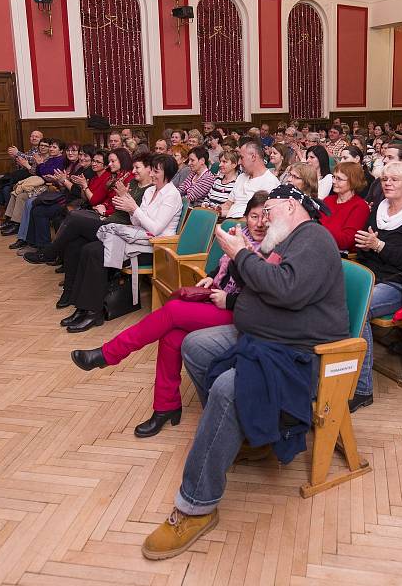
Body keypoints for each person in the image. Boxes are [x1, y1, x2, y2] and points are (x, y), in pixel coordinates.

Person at [139, 185, 347, 560]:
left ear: (292, 204)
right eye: (262, 211)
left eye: (269, 210)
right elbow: (258, 283)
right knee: (196, 346)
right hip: (267, 337)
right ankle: (247, 434)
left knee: (228, 389)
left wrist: (240, 255)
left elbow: (286, 290)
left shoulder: (313, 238)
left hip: (302, 354)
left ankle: (195, 506)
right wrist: (238, 256)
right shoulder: (285, 240)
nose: (264, 217)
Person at [70, 192, 270, 437]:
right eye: (253, 216)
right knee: (172, 337)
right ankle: (166, 407)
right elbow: (223, 267)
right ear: (246, 217)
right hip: (219, 299)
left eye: (264, 217)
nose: (259, 223)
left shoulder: (272, 249)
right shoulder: (240, 237)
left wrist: (229, 300)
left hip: (240, 313)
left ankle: (109, 353)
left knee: (173, 310)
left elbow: (263, 295)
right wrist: (211, 275)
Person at [60, 154, 183, 333]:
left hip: (154, 247)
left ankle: (94, 312)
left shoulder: (172, 195)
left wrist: (134, 209)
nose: (153, 174)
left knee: (97, 253)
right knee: (88, 249)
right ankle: (82, 307)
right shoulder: (150, 191)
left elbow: (156, 229)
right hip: (137, 239)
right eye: (153, 170)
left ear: (168, 174)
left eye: (157, 171)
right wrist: (132, 210)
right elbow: (137, 223)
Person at [353, 162, 402, 411]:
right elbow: (364, 244)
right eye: (385, 178)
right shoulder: (379, 208)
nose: (387, 183)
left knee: (358, 309)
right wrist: (366, 247)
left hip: (400, 282)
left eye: (394, 180)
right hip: (371, 275)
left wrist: (379, 247)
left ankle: (362, 388)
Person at [14, 145, 96, 253]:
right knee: (36, 206)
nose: (82, 158)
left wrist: (64, 181)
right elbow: (68, 188)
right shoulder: (81, 168)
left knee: (40, 211)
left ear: (92, 158)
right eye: (80, 155)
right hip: (66, 197)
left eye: (85, 156)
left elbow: (78, 193)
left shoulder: (90, 172)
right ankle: (36, 243)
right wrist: (61, 181)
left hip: (76, 204)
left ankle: (43, 247)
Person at [0, 130, 43, 225]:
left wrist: (18, 153)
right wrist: (16, 158)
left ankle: (6, 215)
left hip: (31, 176)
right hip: (23, 173)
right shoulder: (31, 150)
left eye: (37, 136)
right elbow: (22, 164)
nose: (34, 138)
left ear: (41, 139)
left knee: (2, 185)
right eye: (32, 136)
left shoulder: (41, 149)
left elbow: (31, 159)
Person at [321, 161, 370, 253]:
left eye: (339, 179)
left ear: (353, 181)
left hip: (339, 256)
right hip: (320, 247)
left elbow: (345, 241)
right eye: (334, 177)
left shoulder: (360, 206)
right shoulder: (328, 200)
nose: (334, 181)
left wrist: (318, 230)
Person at [222, 141, 279, 218]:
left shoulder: (270, 182)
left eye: (242, 158)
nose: (239, 162)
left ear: (253, 157)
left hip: (246, 226)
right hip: (229, 221)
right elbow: (228, 204)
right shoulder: (241, 177)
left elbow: (263, 217)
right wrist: (216, 209)